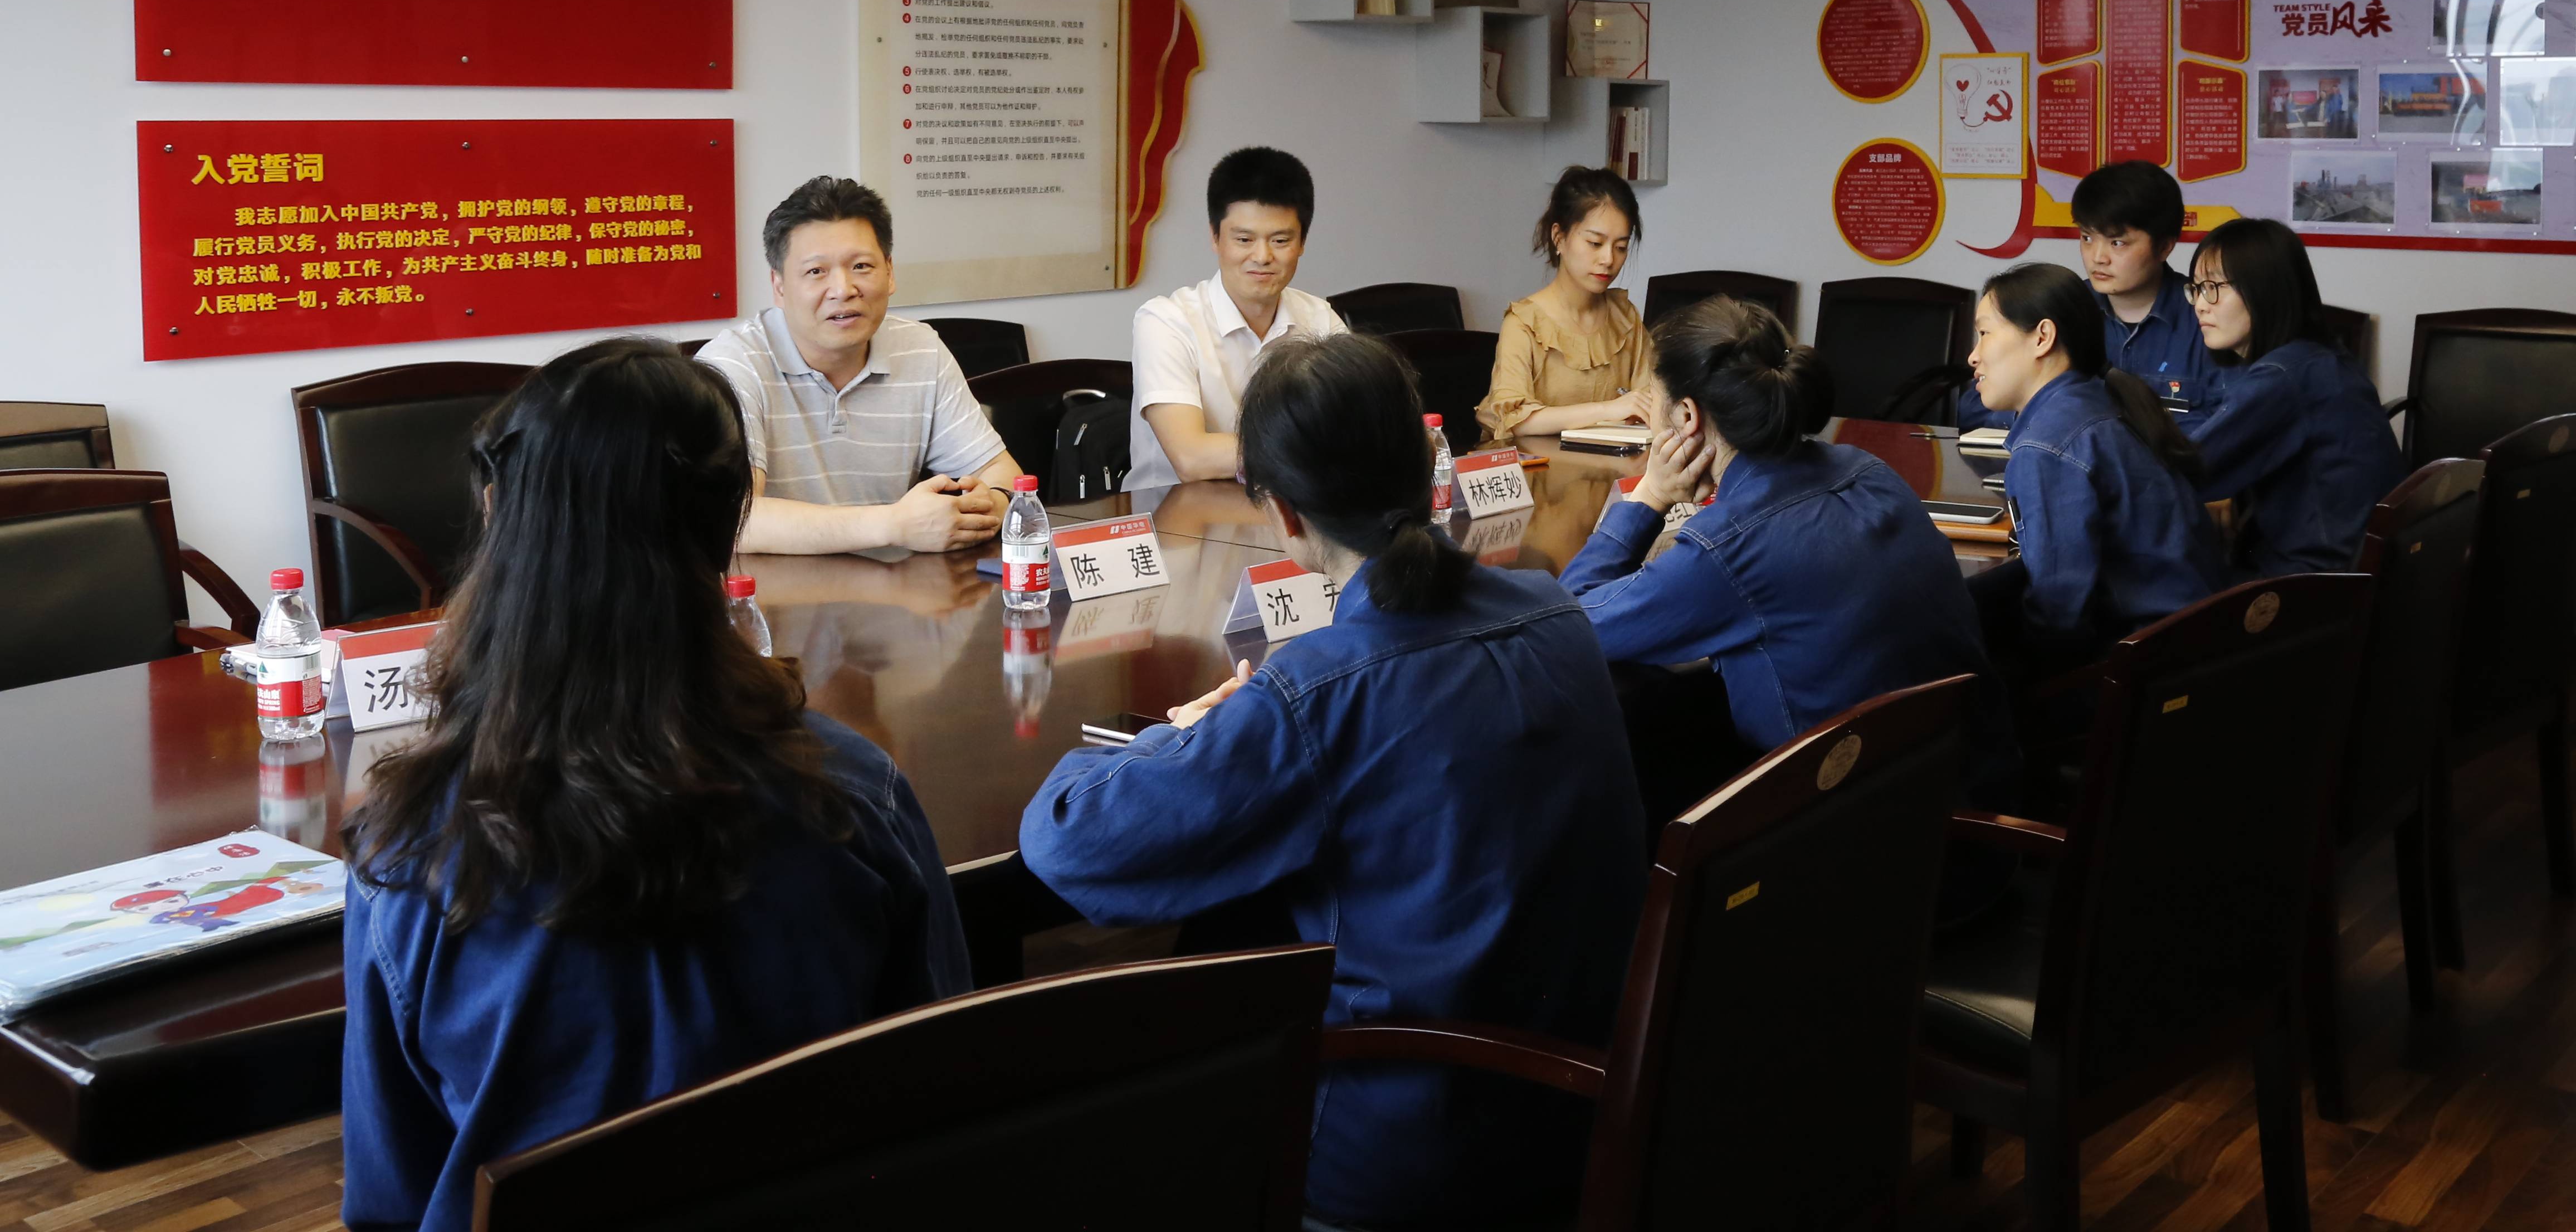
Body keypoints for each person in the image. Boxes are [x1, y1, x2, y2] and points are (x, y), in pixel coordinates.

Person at [341, 340, 969, 1232]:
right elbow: (938, 1089)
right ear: (726, 527)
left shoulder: (412, 848)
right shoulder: (854, 793)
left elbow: (391, 1200)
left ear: (498, 513)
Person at [1023, 335, 1644, 1231]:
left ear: (1282, 513)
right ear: (1427, 468)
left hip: (1404, 1145)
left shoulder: (1319, 690)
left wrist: (1181, 736)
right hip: (1580, 1104)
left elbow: (1067, 835)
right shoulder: (1556, 609)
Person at [1560, 296, 2018, 813]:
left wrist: (1648, 496)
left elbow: (1567, 624)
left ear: (1686, 416)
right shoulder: (1869, 470)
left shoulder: (1729, 546)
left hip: (1853, 832)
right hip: (1969, 793)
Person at [698, 175, 1017, 559]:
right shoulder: (732, 365)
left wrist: (993, 503)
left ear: (890, 272)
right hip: (775, 592)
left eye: (862, 266)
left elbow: (1002, 473)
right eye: (816, 272)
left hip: (899, 589)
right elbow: (733, 519)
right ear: (779, 286)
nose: (844, 289)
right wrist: (894, 525)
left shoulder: (920, 350)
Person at [1964, 264, 2229, 677]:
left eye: (1985, 333)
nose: (1973, 356)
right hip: (2193, 639)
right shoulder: (2100, 398)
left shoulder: (2047, 446)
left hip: (2145, 666)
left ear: (2042, 338)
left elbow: (2059, 615)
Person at [2182, 217, 2406, 576]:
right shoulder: (2317, 356)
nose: (2200, 305)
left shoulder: (2284, 377)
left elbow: (2185, 469)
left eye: (2213, 287)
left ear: (2265, 290)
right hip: (2356, 565)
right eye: (2196, 288)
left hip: (2316, 580)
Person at [1128, 146, 1346, 486]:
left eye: (1280, 240)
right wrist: (1318, 446)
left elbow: (1362, 425)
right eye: (1244, 239)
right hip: (1178, 513)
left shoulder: (1321, 319)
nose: (1262, 256)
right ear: (1215, 238)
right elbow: (1192, 458)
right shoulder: (1166, 322)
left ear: (1302, 242)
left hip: (1290, 507)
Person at [1956, 159, 2219, 431]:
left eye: (2117, 243)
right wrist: (2058, 418)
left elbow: (2224, 426)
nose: (2098, 258)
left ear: (2164, 247)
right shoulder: (2060, 306)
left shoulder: (2207, 316)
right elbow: (1975, 410)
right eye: (2087, 238)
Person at [1480, 167, 1655, 442]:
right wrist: (1610, 409)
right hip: (1541, 467)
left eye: (1621, 247)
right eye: (1595, 243)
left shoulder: (1625, 317)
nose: (1609, 259)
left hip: (1615, 465)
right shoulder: (1524, 324)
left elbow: (1651, 401)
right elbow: (1515, 420)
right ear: (1559, 237)